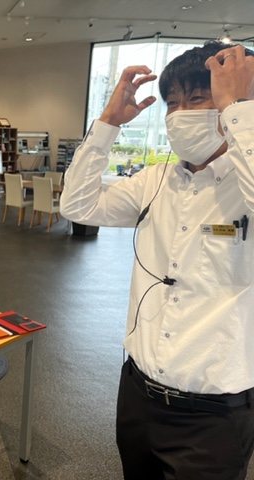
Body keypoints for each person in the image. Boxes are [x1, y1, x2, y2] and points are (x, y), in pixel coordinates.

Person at [61, 41, 254, 479]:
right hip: (138, 397)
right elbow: (76, 205)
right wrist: (107, 124)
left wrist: (240, 110)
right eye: (172, 103)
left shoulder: (244, 188)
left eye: (198, 98)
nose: (180, 113)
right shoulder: (156, 180)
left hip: (213, 419)